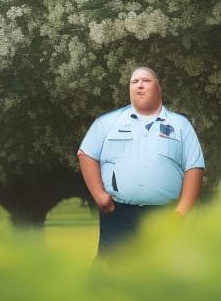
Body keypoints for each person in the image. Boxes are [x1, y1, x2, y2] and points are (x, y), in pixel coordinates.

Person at [78, 66, 205, 254]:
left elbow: (194, 168)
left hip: (163, 216)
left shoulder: (180, 125)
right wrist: (98, 194)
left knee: (160, 275)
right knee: (111, 274)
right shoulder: (107, 123)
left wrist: (181, 213)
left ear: (158, 87)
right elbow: (86, 154)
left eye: (146, 80)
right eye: (134, 81)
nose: (139, 85)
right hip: (117, 214)